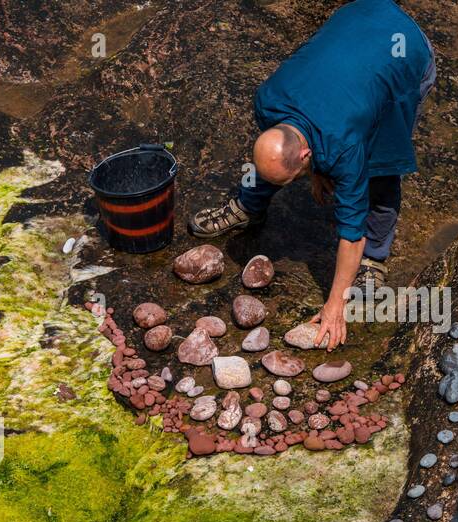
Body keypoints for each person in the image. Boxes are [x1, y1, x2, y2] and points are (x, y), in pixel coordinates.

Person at [187, 0, 436, 350]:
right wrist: (316, 171)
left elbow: (350, 232)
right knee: (276, 161)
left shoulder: (346, 147)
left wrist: (336, 304)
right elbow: (282, 146)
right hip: (360, 15)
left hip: (405, 50)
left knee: (380, 170)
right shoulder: (269, 101)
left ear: (307, 155)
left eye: (303, 171)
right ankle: (248, 205)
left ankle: (376, 258)